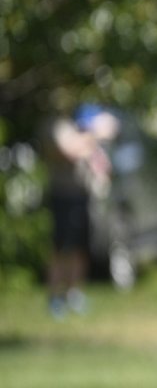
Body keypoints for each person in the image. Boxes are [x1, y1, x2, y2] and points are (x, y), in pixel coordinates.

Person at [40, 103, 119, 318]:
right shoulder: (58, 126)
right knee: (61, 248)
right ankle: (55, 296)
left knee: (81, 248)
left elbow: (104, 166)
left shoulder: (82, 132)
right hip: (63, 197)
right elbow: (69, 151)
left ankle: (74, 294)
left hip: (84, 198)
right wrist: (94, 135)